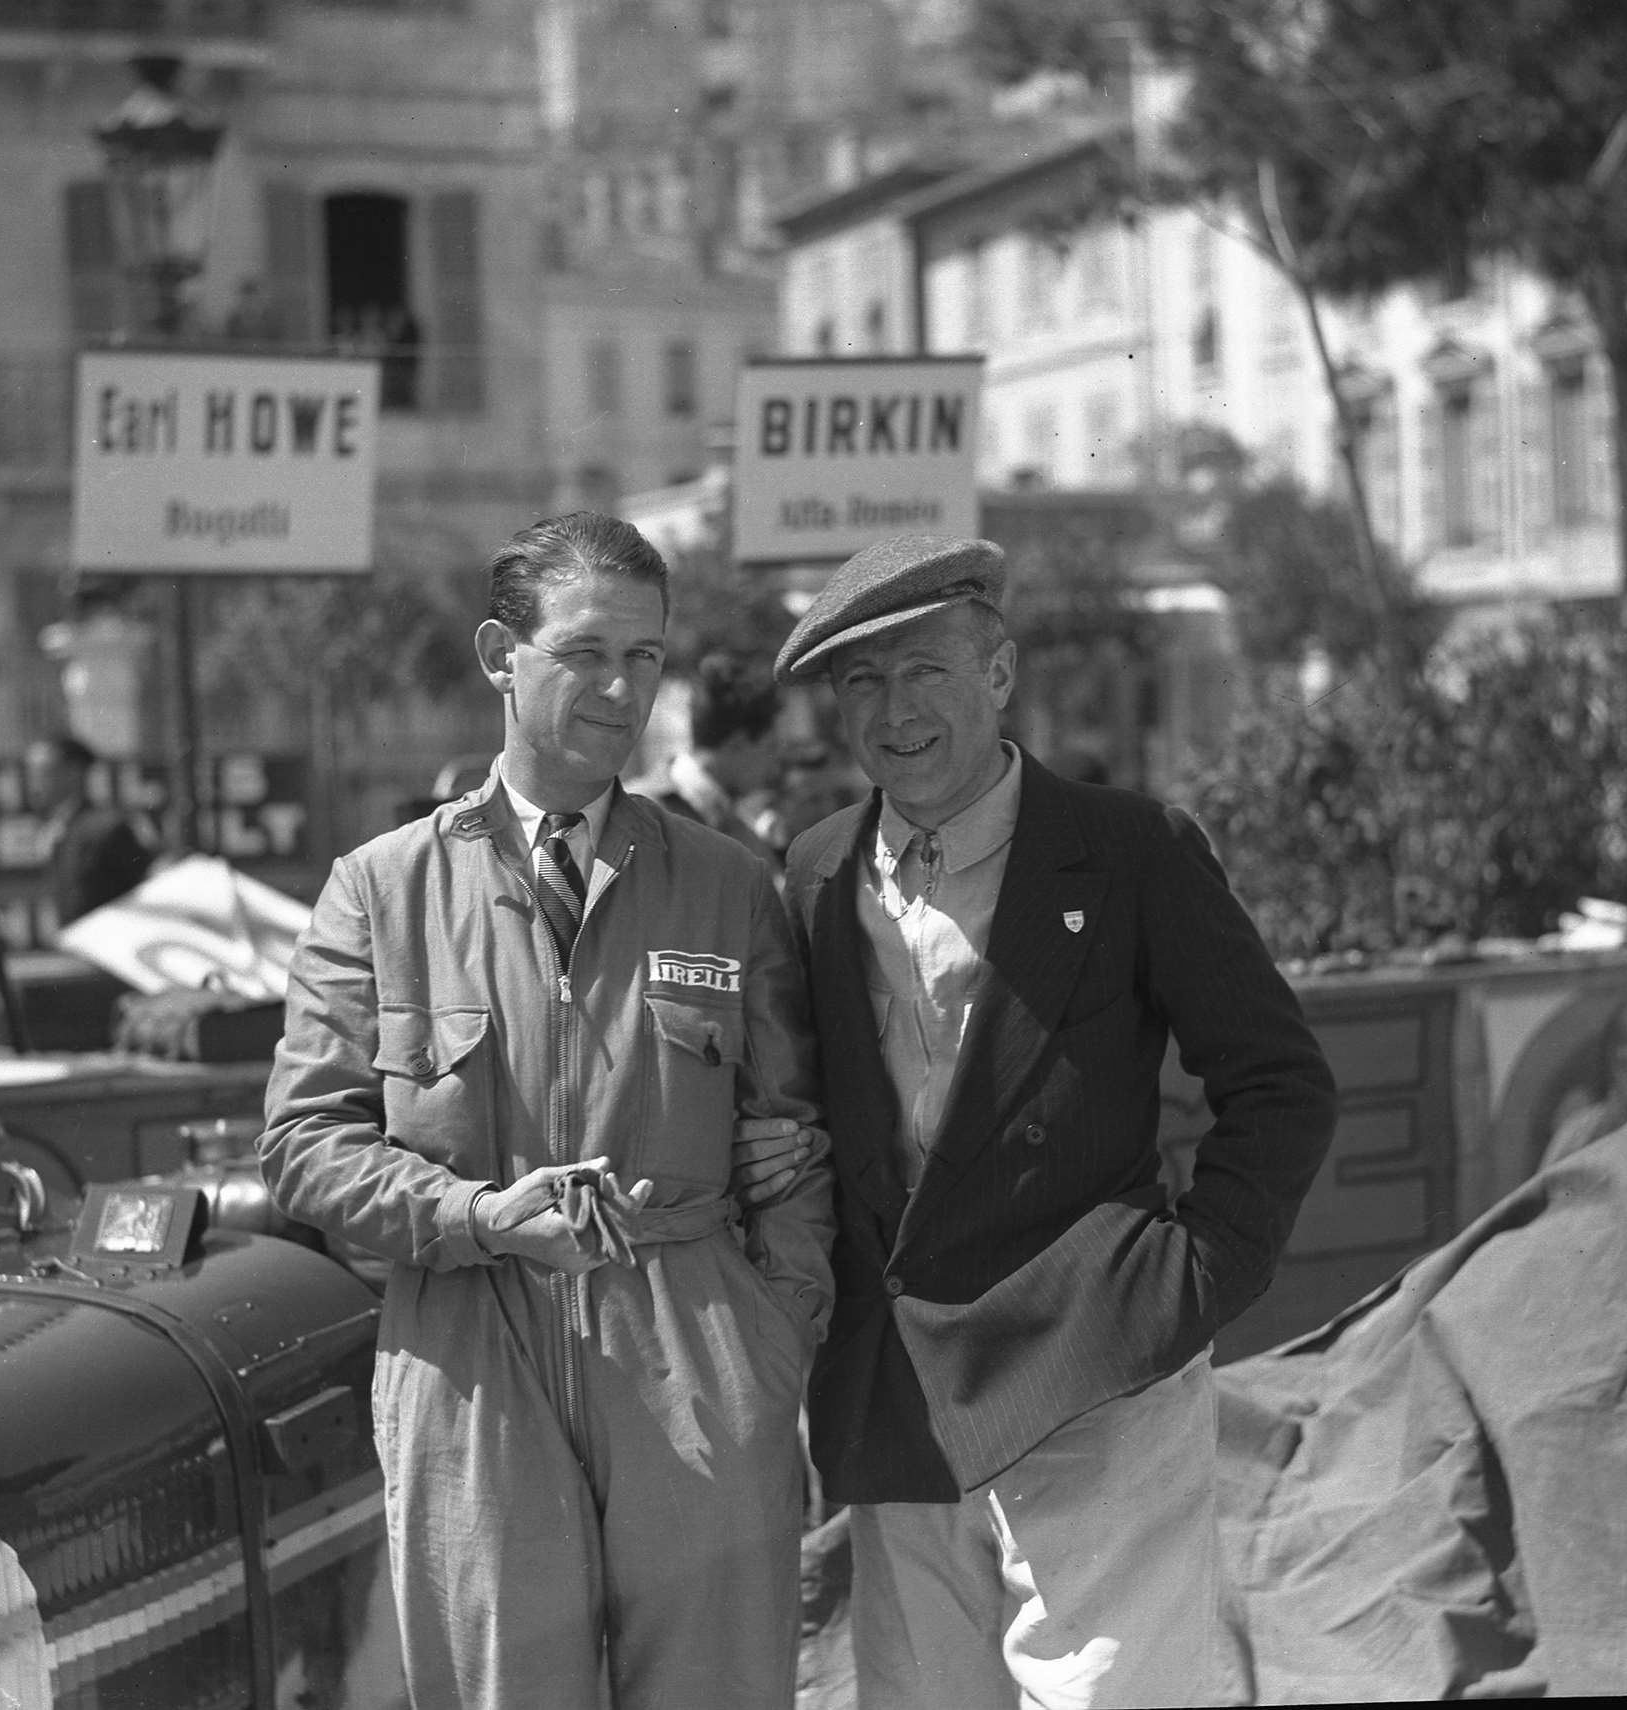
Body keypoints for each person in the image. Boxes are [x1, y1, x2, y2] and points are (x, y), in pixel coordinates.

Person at [737, 533, 1338, 1709]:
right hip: (898, 1397)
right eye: (861, 682)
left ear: (998, 675)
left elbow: (1279, 1083)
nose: (892, 712)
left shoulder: (1129, 853)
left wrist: (1184, 1279)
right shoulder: (813, 872)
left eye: (924, 673)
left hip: (1090, 1373)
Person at [257, 511, 833, 1710]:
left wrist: (770, 1338)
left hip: (695, 1359)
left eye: (643, 657)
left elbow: (797, 1142)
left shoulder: (728, 886)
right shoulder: (379, 890)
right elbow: (303, 1145)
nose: (620, 689)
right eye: (582, 653)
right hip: (470, 1366)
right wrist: (475, 1216)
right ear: (496, 655)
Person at [648, 650, 787, 877]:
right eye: (770, 748)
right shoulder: (638, 814)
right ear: (739, 743)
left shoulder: (742, 831)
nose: (774, 765)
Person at [23, 733, 157, 924]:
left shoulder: (106, 829)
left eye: (44, 773)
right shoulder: (58, 828)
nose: (34, 785)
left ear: (74, 772)